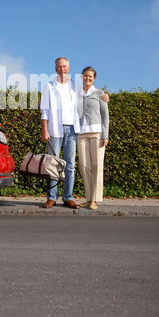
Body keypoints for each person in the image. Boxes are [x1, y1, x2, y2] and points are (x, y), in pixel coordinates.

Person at [40, 57, 80, 208]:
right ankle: (52, 197)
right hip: (54, 129)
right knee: (53, 165)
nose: (62, 69)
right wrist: (44, 130)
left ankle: (68, 197)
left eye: (64, 66)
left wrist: (104, 96)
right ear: (55, 68)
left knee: (70, 165)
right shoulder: (48, 86)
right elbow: (44, 110)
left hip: (72, 129)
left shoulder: (75, 86)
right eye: (59, 66)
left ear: (69, 68)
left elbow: (89, 97)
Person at [77, 66, 109, 210]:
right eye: (85, 76)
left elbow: (105, 115)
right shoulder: (77, 93)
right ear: (82, 77)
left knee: (96, 166)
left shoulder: (99, 93)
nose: (87, 78)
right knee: (84, 166)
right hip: (81, 134)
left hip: (97, 133)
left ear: (94, 78)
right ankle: (88, 198)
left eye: (90, 76)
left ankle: (94, 200)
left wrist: (105, 135)